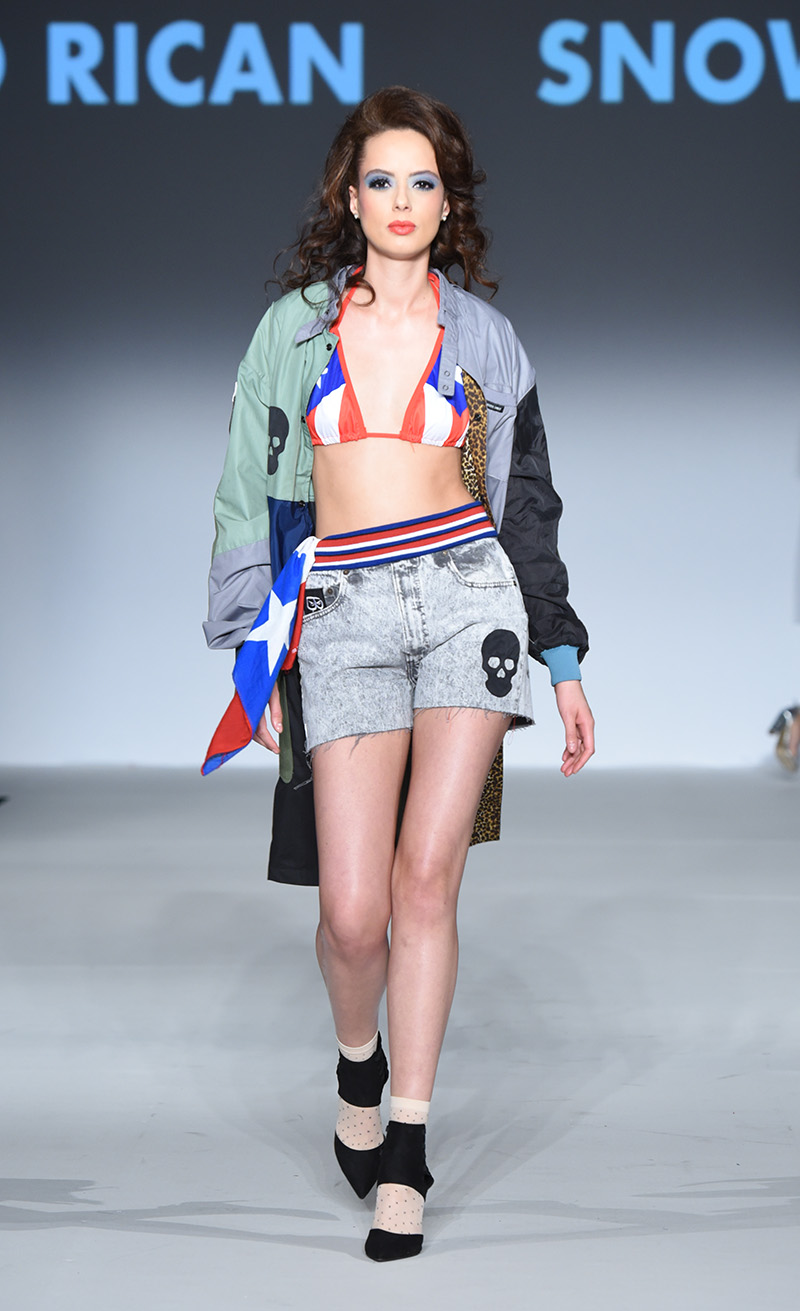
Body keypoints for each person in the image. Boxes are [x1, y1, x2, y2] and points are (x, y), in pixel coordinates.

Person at [204, 86, 594, 1261]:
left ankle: (408, 1148)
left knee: (427, 879)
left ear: (448, 200)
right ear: (347, 197)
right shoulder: (293, 332)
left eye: (424, 180)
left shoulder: (484, 339)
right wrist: (251, 649)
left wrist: (561, 657)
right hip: (341, 612)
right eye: (380, 179)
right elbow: (245, 487)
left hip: (468, 598)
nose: (402, 199)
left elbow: (525, 507)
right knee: (351, 912)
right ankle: (357, 1066)